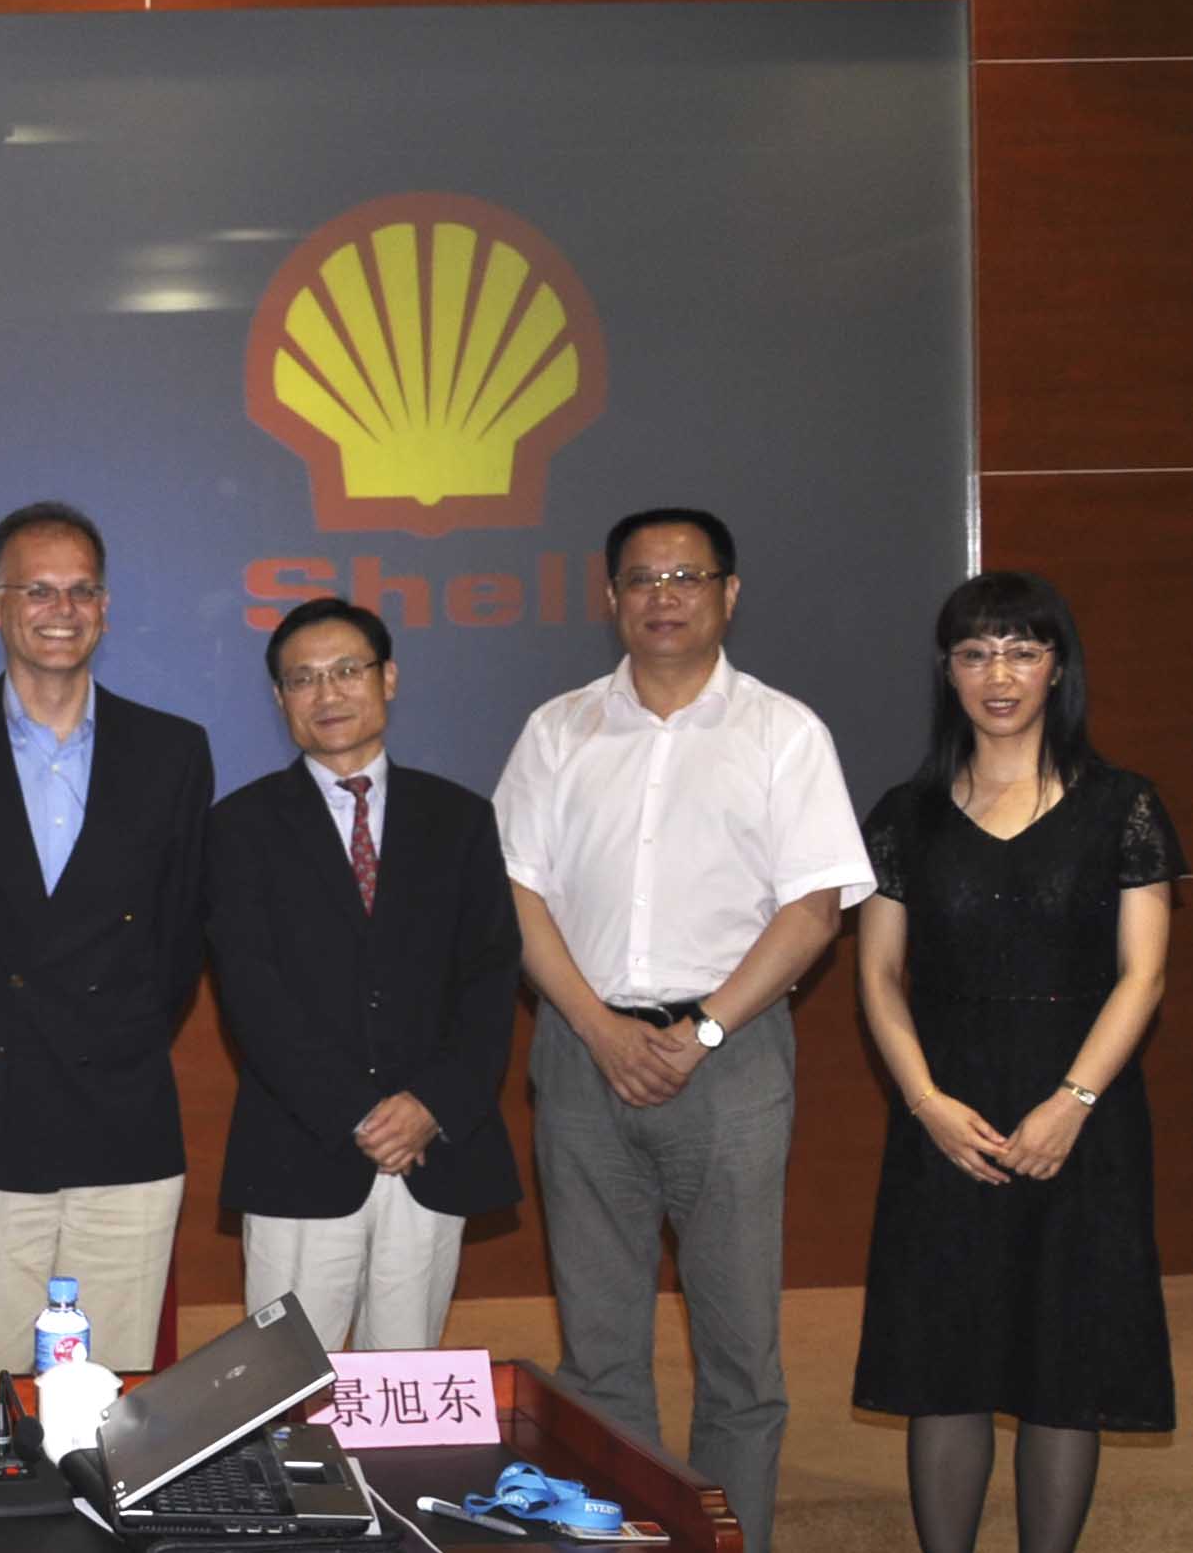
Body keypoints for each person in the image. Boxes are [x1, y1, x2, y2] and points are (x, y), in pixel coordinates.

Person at [495, 506, 869, 1553]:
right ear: (610, 597)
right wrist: (598, 1027)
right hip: (583, 1057)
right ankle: (622, 1540)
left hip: (733, 1060)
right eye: (642, 579)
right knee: (599, 1350)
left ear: (728, 594)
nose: (663, 596)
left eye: (687, 577)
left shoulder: (783, 733)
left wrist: (701, 1031)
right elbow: (516, 896)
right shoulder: (558, 730)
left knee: (740, 1356)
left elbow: (813, 910)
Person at [852, 572, 1176, 1553]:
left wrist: (1072, 1102)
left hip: (1082, 1117)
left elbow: (1145, 975)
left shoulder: (1122, 805)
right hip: (945, 1116)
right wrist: (925, 1103)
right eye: (976, 654)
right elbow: (878, 976)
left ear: (1057, 668)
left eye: (1022, 652)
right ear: (948, 671)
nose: (999, 675)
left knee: (1062, 1365)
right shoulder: (904, 814)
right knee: (944, 1364)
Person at [0, 501, 213, 1373]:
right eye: (37, 590)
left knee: (115, 1401)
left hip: (123, 1116)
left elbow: (179, 940)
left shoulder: (171, 751)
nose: (61, 609)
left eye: (81, 591)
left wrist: (113, 1033)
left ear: (105, 610)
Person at [205, 597, 519, 1352]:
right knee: (287, 1387)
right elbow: (252, 995)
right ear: (280, 698)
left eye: (347, 670)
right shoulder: (239, 827)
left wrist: (429, 1106)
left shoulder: (460, 819)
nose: (328, 693)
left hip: (430, 1148)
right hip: (302, 1150)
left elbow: (489, 979)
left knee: (405, 1383)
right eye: (303, 678)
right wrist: (359, 1113)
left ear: (389, 679)